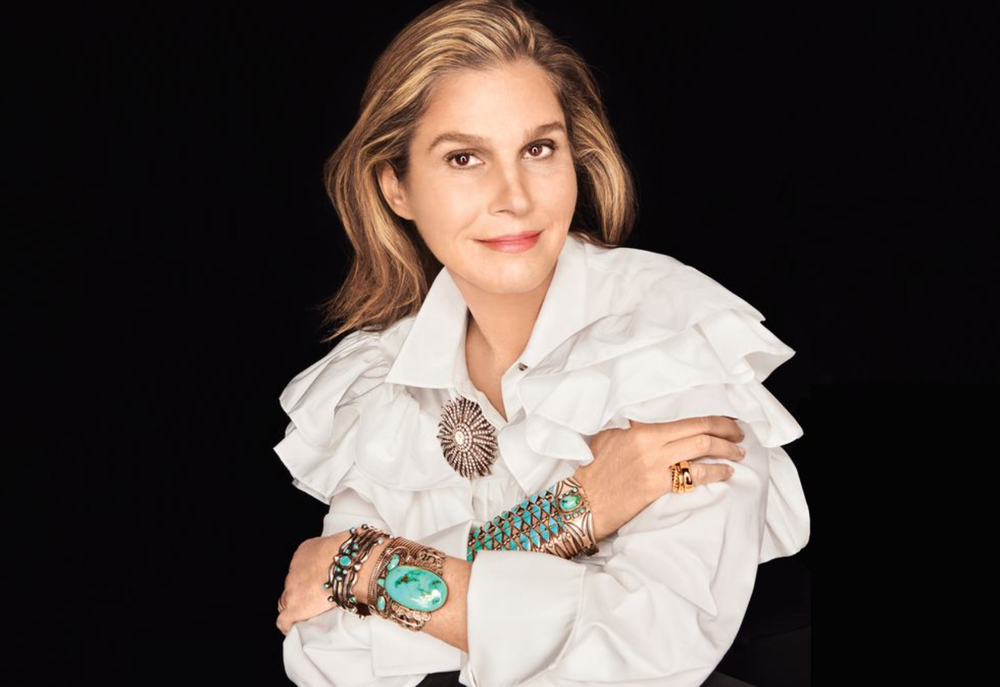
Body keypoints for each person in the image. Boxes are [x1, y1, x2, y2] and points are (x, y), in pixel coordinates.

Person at [273, 1, 810, 686]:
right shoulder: (379, 381)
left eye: (539, 149)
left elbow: (650, 648)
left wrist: (374, 571)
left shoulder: (676, 339)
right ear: (396, 187)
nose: (515, 197)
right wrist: (572, 514)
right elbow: (326, 651)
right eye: (464, 158)